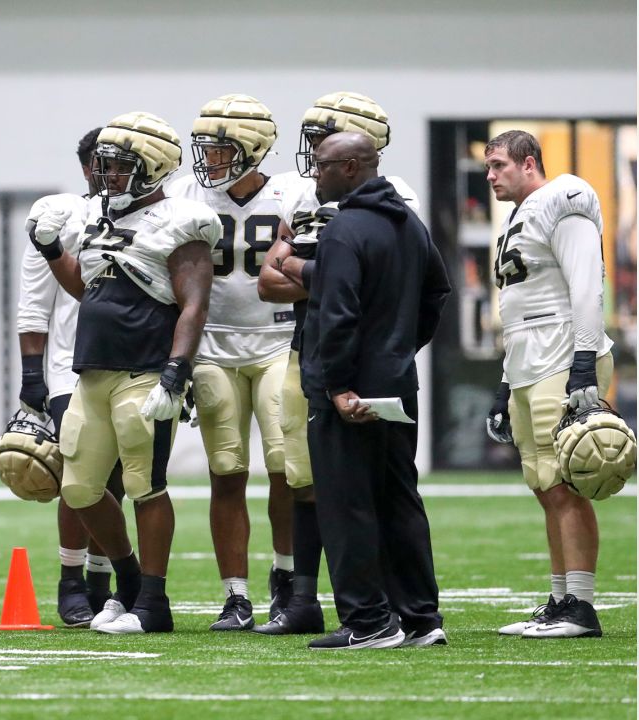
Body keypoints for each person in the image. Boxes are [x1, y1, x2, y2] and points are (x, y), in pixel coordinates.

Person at [29, 111, 218, 635]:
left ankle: (153, 605)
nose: (104, 175)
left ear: (152, 167)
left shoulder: (182, 220)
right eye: (102, 166)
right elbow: (87, 291)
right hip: (92, 371)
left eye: (117, 166)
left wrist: (176, 372)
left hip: (145, 369)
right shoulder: (98, 219)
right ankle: (130, 584)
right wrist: (51, 251)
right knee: (81, 487)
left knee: (145, 485)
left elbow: (193, 304)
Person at [254, 91, 419, 635]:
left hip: (342, 362)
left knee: (358, 491)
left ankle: (374, 616)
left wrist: (310, 273)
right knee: (306, 477)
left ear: (355, 155)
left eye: (323, 152)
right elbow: (267, 283)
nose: (311, 162)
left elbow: (352, 288)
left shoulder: (389, 205)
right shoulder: (310, 200)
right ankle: (308, 600)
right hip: (317, 351)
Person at [290, 131, 450, 649]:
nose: (316, 174)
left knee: (345, 503)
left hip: (351, 393)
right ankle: (421, 619)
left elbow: (336, 315)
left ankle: (368, 622)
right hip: (397, 383)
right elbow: (437, 292)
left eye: (322, 165)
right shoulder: (411, 226)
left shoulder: (344, 230)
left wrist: (337, 384)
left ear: (353, 167)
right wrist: (399, 348)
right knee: (400, 500)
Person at [163, 94, 317, 631]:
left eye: (223, 148)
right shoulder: (186, 193)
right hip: (213, 347)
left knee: (286, 468)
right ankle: (235, 595)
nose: (211, 159)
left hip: (278, 341)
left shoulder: (294, 193)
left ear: (253, 147)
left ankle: (286, 576)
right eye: (207, 147)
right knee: (226, 471)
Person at [482, 130, 615, 639]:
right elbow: (516, 311)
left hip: (562, 356)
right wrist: (503, 382)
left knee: (564, 484)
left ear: (529, 162)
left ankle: (580, 606)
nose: (490, 176)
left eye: (497, 165)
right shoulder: (521, 214)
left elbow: (587, 286)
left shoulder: (566, 197)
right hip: (528, 361)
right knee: (544, 485)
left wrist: (584, 361)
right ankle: (561, 600)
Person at [18, 127, 128, 627]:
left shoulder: (153, 214)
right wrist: (31, 376)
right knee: (82, 475)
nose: (111, 173)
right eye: (102, 163)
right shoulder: (62, 213)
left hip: (133, 361)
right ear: (86, 168)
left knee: (122, 479)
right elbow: (34, 302)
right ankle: (70, 578)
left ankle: (102, 579)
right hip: (71, 365)